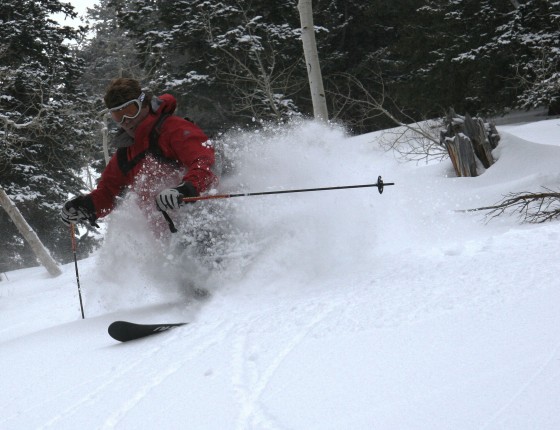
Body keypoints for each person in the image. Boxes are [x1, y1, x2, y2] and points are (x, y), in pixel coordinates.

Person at [60, 78, 217, 232]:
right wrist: (85, 206)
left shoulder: (172, 128)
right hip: (165, 237)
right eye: (118, 116)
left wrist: (185, 189)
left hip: (203, 217)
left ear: (144, 104)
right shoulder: (125, 154)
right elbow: (107, 192)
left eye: (129, 111)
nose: (126, 121)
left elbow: (204, 160)